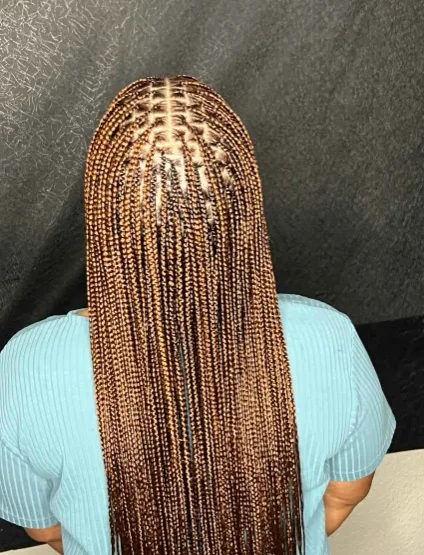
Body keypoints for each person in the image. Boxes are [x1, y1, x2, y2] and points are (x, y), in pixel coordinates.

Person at [0, 76, 395, 555]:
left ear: (105, 210)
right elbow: (346, 494)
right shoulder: (329, 338)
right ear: (242, 204)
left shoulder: (25, 364)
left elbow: (45, 530)